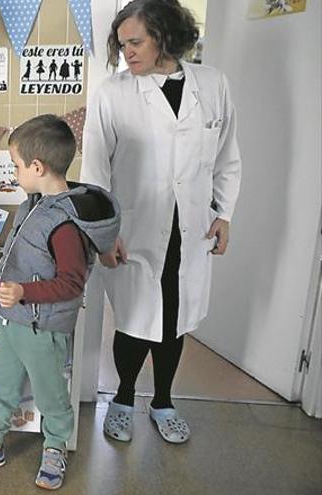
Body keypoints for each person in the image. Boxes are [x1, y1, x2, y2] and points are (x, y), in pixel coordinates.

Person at [81, 0, 241, 444]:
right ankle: (124, 398)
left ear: (165, 37)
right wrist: (103, 233)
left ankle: (164, 401)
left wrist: (224, 212)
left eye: (136, 42)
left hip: (191, 229)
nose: (127, 52)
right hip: (135, 229)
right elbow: (95, 171)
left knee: (176, 318)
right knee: (134, 319)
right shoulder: (112, 93)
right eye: (122, 44)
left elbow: (228, 155)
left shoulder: (212, 85)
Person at [0, 115, 120, 490]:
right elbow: (23, 256)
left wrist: (25, 292)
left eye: (15, 165)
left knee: (51, 394)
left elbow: (72, 283)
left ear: (37, 167)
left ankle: (55, 447)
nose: (14, 172)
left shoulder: (63, 224)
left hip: (43, 330)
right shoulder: (35, 204)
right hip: (13, 323)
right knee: (2, 385)